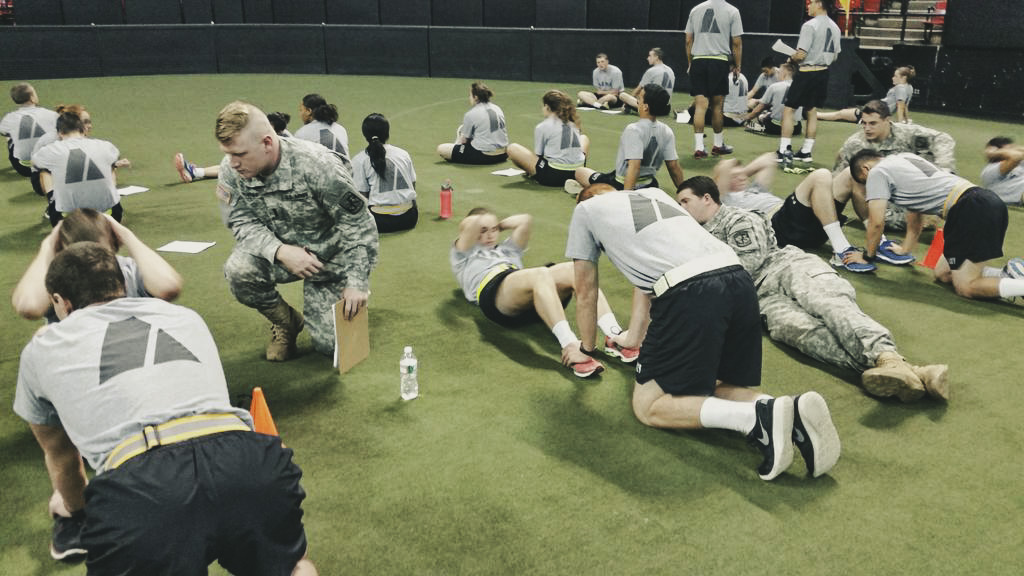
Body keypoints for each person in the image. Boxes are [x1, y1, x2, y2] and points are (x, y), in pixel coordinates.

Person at [14, 242, 318, 574]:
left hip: (142, 486)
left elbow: (61, 456)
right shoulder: (184, 316)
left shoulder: (43, 346)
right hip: (248, 460)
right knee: (291, 568)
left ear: (60, 301)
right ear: (122, 284)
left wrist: (72, 506)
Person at [566, 183, 841, 481]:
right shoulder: (654, 195)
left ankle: (756, 419)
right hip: (737, 279)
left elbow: (585, 291)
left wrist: (586, 348)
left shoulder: (585, 210)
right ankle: (784, 410)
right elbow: (644, 286)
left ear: (585, 198)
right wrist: (632, 338)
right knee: (709, 385)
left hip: (691, 291)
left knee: (648, 405)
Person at [676, 175, 949, 403]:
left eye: (685, 200)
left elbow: (747, 264)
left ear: (707, 198)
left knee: (828, 305)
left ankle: (886, 355)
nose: (682, 208)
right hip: (760, 297)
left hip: (786, 268)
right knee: (796, 331)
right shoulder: (697, 236)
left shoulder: (737, 219)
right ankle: (912, 373)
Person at [216, 101, 379, 360]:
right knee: (239, 271)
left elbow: (358, 224)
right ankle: (286, 322)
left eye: (240, 154)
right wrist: (280, 251)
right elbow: (240, 222)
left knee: (333, 348)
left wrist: (357, 283)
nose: (233, 163)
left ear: (267, 143)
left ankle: (341, 300)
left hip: (330, 259)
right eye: (228, 154)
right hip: (281, 256)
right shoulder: (231, 171)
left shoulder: (317, 165)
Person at [451, 208, 637, 378]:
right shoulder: (464, 254)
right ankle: (571, 345)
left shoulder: (507, 249)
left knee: (575, 269)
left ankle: (614, 335)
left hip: (533, 297)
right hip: (494, 295)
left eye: (493, 230)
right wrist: (483, 223)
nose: (490, 235)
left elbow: (525, 220)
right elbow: (467, 228)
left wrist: (497, 224)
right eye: (482, 231)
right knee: (540, 273)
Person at [850, 150, 1024, 301]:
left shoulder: (876, 173)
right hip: (982, 203)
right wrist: (906, 249)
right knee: (943, 273)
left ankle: (1020, 285)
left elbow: (876, 222)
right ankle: (1009, 274)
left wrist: (867, 257)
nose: (868, 188)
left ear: (865, 169)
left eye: (864, 182)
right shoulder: (903, 159)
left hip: (969, 209)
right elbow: (915, 212)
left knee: (966, 287)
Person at [710, 153, 877, 273]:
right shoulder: (725, 199)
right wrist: (731, 172)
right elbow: (723, 169)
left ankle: (878, 239)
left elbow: (768, 159)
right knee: (821, 175)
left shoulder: (755, 190)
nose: (740, 176)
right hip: (778, 228)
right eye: (733, 176)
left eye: (741, 173)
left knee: (850, 174)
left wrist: (741, 173)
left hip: (807, 226)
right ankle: (842, 250)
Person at [12, 208, 182, 321]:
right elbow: (29, 306)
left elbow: (168, 286)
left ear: (114, 248)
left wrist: (127, 235)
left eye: (99, 253)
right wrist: (47, 246)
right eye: (76, 255)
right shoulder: (58, 278)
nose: (89, 262)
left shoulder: (128, 269)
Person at [832, 99, 956, 232]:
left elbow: (943, 139)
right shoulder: (855, 144)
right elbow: (837, 178)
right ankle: (876, 221)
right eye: (864, 123)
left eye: (873, 123)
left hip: (910, 196)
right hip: (881, 202)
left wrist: (944, 171)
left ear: (887, 120)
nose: (867, 128)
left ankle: (922, 218)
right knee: (852, 175)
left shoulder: (907, 133)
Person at [567, 84, 684, 194]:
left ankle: (599, 192)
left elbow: (634, 166)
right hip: (650, 184)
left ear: (645, 107)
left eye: (640, 99)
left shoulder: (634, 130)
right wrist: (683, 191)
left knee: (580, 172)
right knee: (608, 175)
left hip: (622, 184)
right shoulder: (667, 130)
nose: (637, 101)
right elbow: (673, 166)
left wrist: (627, 197)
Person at [778, 0, 842, 166]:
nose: (808, 5)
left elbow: (801, 55)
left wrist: (791, 58)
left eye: (811, 2)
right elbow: (835, 56)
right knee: (811, 110)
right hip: (823, 72)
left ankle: (784, 150)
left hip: (807, 72)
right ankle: (806, 152)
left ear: (820, 3)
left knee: (789, 109)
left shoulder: (809, 25)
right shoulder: (836, 27)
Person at [33, 112, 123, 226]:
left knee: (45, 171)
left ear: (59, 133)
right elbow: (115, 157)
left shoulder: (51, 150)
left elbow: (35, 162)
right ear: (83, 130)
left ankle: (52, 203)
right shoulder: (105, 145)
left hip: (68, 220)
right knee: (111, 166)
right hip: (111, 215)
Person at [684, 0, 743, 158]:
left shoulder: (695, 9)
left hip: (699, 61)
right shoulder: (732, 11)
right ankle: (717, 145)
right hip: (719, 62)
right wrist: (737, 65)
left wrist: (691, 62)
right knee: (717, 106)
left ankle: (699, 148)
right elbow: (736, 43)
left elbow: (688, 40)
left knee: (700, 106)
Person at [175, 111, 291, 184]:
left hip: (272, 174)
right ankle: (195, 172)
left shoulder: (280, 140)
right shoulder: (270, 134)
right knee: (231, 166)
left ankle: (195, 172)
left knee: (233, 168)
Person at [507, 90, 590, 188]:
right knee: (584, 138)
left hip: (554, 175)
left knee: (512, 148)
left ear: (547, 107)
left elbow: (539, 155)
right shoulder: (572, 122)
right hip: (578, 172)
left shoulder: (542, 126)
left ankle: (532, 174)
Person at [351, 113, 418, 233]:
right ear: (387, 133)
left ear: (365, 135)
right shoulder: (403, 154)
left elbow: (362, 195)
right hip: (409, 218)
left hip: (379, 221)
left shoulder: (360, 159)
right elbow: (412, 184)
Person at [1, 83, 58, 193]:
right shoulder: (52, 115)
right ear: (32, 97)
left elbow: (3, 132)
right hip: (50, 165)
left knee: (10, 137)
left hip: (23, 169)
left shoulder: (9, 118)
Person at [437, 81, 509, 165]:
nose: (469, 97)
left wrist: (457, 146)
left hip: (485, 156)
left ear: (476, 97)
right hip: (503, 154)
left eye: (470, 95)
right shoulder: (497, 108)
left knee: (441, 149)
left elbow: (464, 141)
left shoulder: (471, 114)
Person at [819, 66, 915, 124]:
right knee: (841, 114)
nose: (893, 78)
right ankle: (813, 115)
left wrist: (900, 123)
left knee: (839, 114)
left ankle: (812, 115)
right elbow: (905, 106)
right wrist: (905, 120)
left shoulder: (900, 88)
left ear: (904, 77)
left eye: (895, 76)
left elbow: (901, 107)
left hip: (873, 112)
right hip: (875, 110)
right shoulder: (909, 88)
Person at [742, 62, 803, 136]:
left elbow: (759, 109)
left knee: (762, 116)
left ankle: (762, 128)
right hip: (796, 129)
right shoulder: (801, 88)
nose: (778, 75)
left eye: (779, 72)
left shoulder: (774, 86)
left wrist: (747, 118)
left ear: (785, 73)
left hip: (776, 128)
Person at [677, 69, 748, 128]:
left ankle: (684, 115)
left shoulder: (724, 78)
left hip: (727, 119)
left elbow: (708, 99)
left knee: (695, 109)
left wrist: (692, 107)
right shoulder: (743, 77)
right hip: (741, 119)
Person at [293, 94, 349, 158]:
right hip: (344, 167)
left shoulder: (302, 133)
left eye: (301, 110)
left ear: (309, 111)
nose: (300, 114)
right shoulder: (340, 129)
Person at [980, 137, 1024, 206]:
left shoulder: (1018, 164)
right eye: (1010, 150)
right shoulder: (990, 170)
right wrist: (994, 153)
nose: (1014, 151)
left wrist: (1014, 148)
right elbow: (1016, 157)